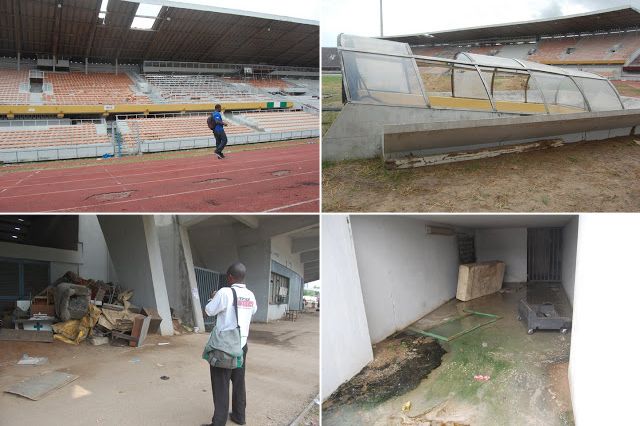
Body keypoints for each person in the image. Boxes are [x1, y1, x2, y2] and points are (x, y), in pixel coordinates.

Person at [204, 262, 257, 426]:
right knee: (239, 381)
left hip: (224, 347)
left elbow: (209, 310)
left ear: (230, 277)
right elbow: (253, 311)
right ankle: (239, 416)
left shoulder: (225, 292)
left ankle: (218, 422)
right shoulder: (250, 294)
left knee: (220, 383)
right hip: (241, 345)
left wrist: (213, 298)